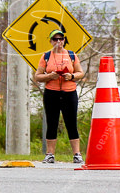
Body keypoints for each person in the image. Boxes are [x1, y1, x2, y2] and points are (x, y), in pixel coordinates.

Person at [34, 30, 85, 164]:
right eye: (55, 39)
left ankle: (77, 154)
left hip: (69, 92)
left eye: (61, 39)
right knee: (52, 123)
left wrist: (71, 76)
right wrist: (50, 76)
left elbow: (81, 73)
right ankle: (50, 154)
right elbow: (37, 76)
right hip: (52, 92)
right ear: (51, 41)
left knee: (71, 122)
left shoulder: (71, 55)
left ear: (64, 41)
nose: (58, 42)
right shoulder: (46, 56)